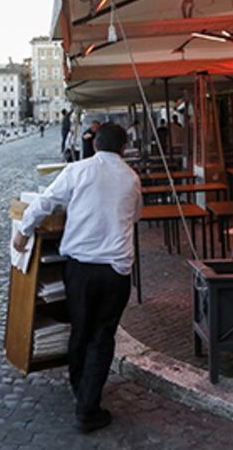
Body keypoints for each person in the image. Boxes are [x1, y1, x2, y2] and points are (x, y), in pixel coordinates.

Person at [14, 123, 140, 433]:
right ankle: (88, 405)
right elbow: (135, 216)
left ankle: (79, 390)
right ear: (124, 148)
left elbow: (45, 201)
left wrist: (23, 232)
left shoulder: (77, 170)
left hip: (81, 267)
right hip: (114, 269)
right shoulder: (132, 178)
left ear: (95, 145)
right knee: (102, 335)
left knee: (80, 329)